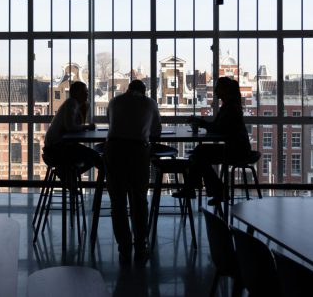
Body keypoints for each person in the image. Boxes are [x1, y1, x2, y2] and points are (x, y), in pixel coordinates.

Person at [104, 79, 162, 266]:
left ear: (128, 89)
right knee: (139, 200)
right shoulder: (150, 103)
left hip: (114, 150)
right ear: (144, 91)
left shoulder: (114, 101)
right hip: (138, 151)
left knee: (118, 202)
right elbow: (156, 132)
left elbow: (110, 122)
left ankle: (124, 248)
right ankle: (140, 246)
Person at [174, 77, 251, 206]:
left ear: (224, 90)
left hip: (236, 151)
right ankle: (205, 190)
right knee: (200, 155)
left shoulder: (230, 107)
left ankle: (197, 189)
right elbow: (219, 127)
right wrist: (203, 123)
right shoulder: (230, 105)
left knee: (199, 154)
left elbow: (218, 128)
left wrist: (200, 122)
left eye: (218, 87)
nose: (215, 90)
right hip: (238, 148)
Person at [43, 81, 101, 186]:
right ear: (76, 93)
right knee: (95, 157)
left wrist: (84, 109)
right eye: (84, 92)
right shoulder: (71, 103)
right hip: (57, 149)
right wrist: (87, 126)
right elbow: (70, 127)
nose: (87, 94)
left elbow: (75, 125)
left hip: (54, 147)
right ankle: (67, 175)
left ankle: (68, 176)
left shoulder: (74, 103)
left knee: (94, 157)